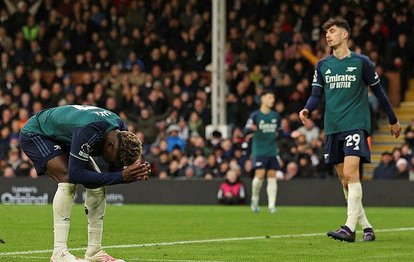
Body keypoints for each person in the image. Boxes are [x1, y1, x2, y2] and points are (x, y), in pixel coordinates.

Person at [299, 17, 402, 242]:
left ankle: (348, 228)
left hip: (356, 123)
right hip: (333, 127)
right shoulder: (322, 65)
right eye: (326, 32)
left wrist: (393, 119)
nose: (328, 35)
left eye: (333, 31)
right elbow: (316, 94)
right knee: (345, 181)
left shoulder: (362, 62)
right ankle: (367, 227)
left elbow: (379, 92)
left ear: (345, 34)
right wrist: (307, 109)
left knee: (351, 174)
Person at [19, 105, 151, 262]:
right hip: (37, 133)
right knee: (68, 179)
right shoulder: (90, 130)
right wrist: (121, 177)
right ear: (110, 145)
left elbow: (112, 174)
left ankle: (94, 251)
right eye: (116, 159)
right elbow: (76, 174)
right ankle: (59, 253)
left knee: (98, 185)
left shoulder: (121, 132)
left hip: (65, 136)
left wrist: (131, 173)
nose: (115, 163)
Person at [244, 90, 282, 213]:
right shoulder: (255, 116)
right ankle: (254, 200)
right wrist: (250, 129)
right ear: (263, 99)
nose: (272, 100)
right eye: (270, 97)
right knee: (259, 175)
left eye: (273, 98)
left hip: (272, 151)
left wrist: (291, 134)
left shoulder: (275, 116)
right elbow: (245, 130)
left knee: (272, 176)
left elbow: (280, 131)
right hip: (259, 151)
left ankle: (271, 205)